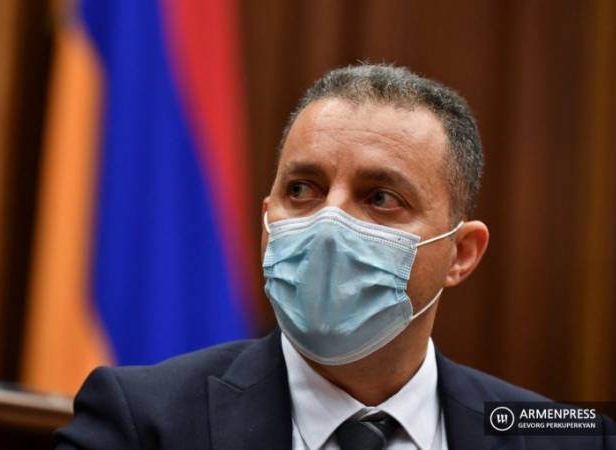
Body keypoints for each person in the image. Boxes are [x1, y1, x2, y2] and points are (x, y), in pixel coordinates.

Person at [56, 64, 615, 449]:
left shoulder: (568, 439)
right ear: (267, 216)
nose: (329, 223)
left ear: (460, 254)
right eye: (302, 189)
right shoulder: (140, 422)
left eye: (381, 198)